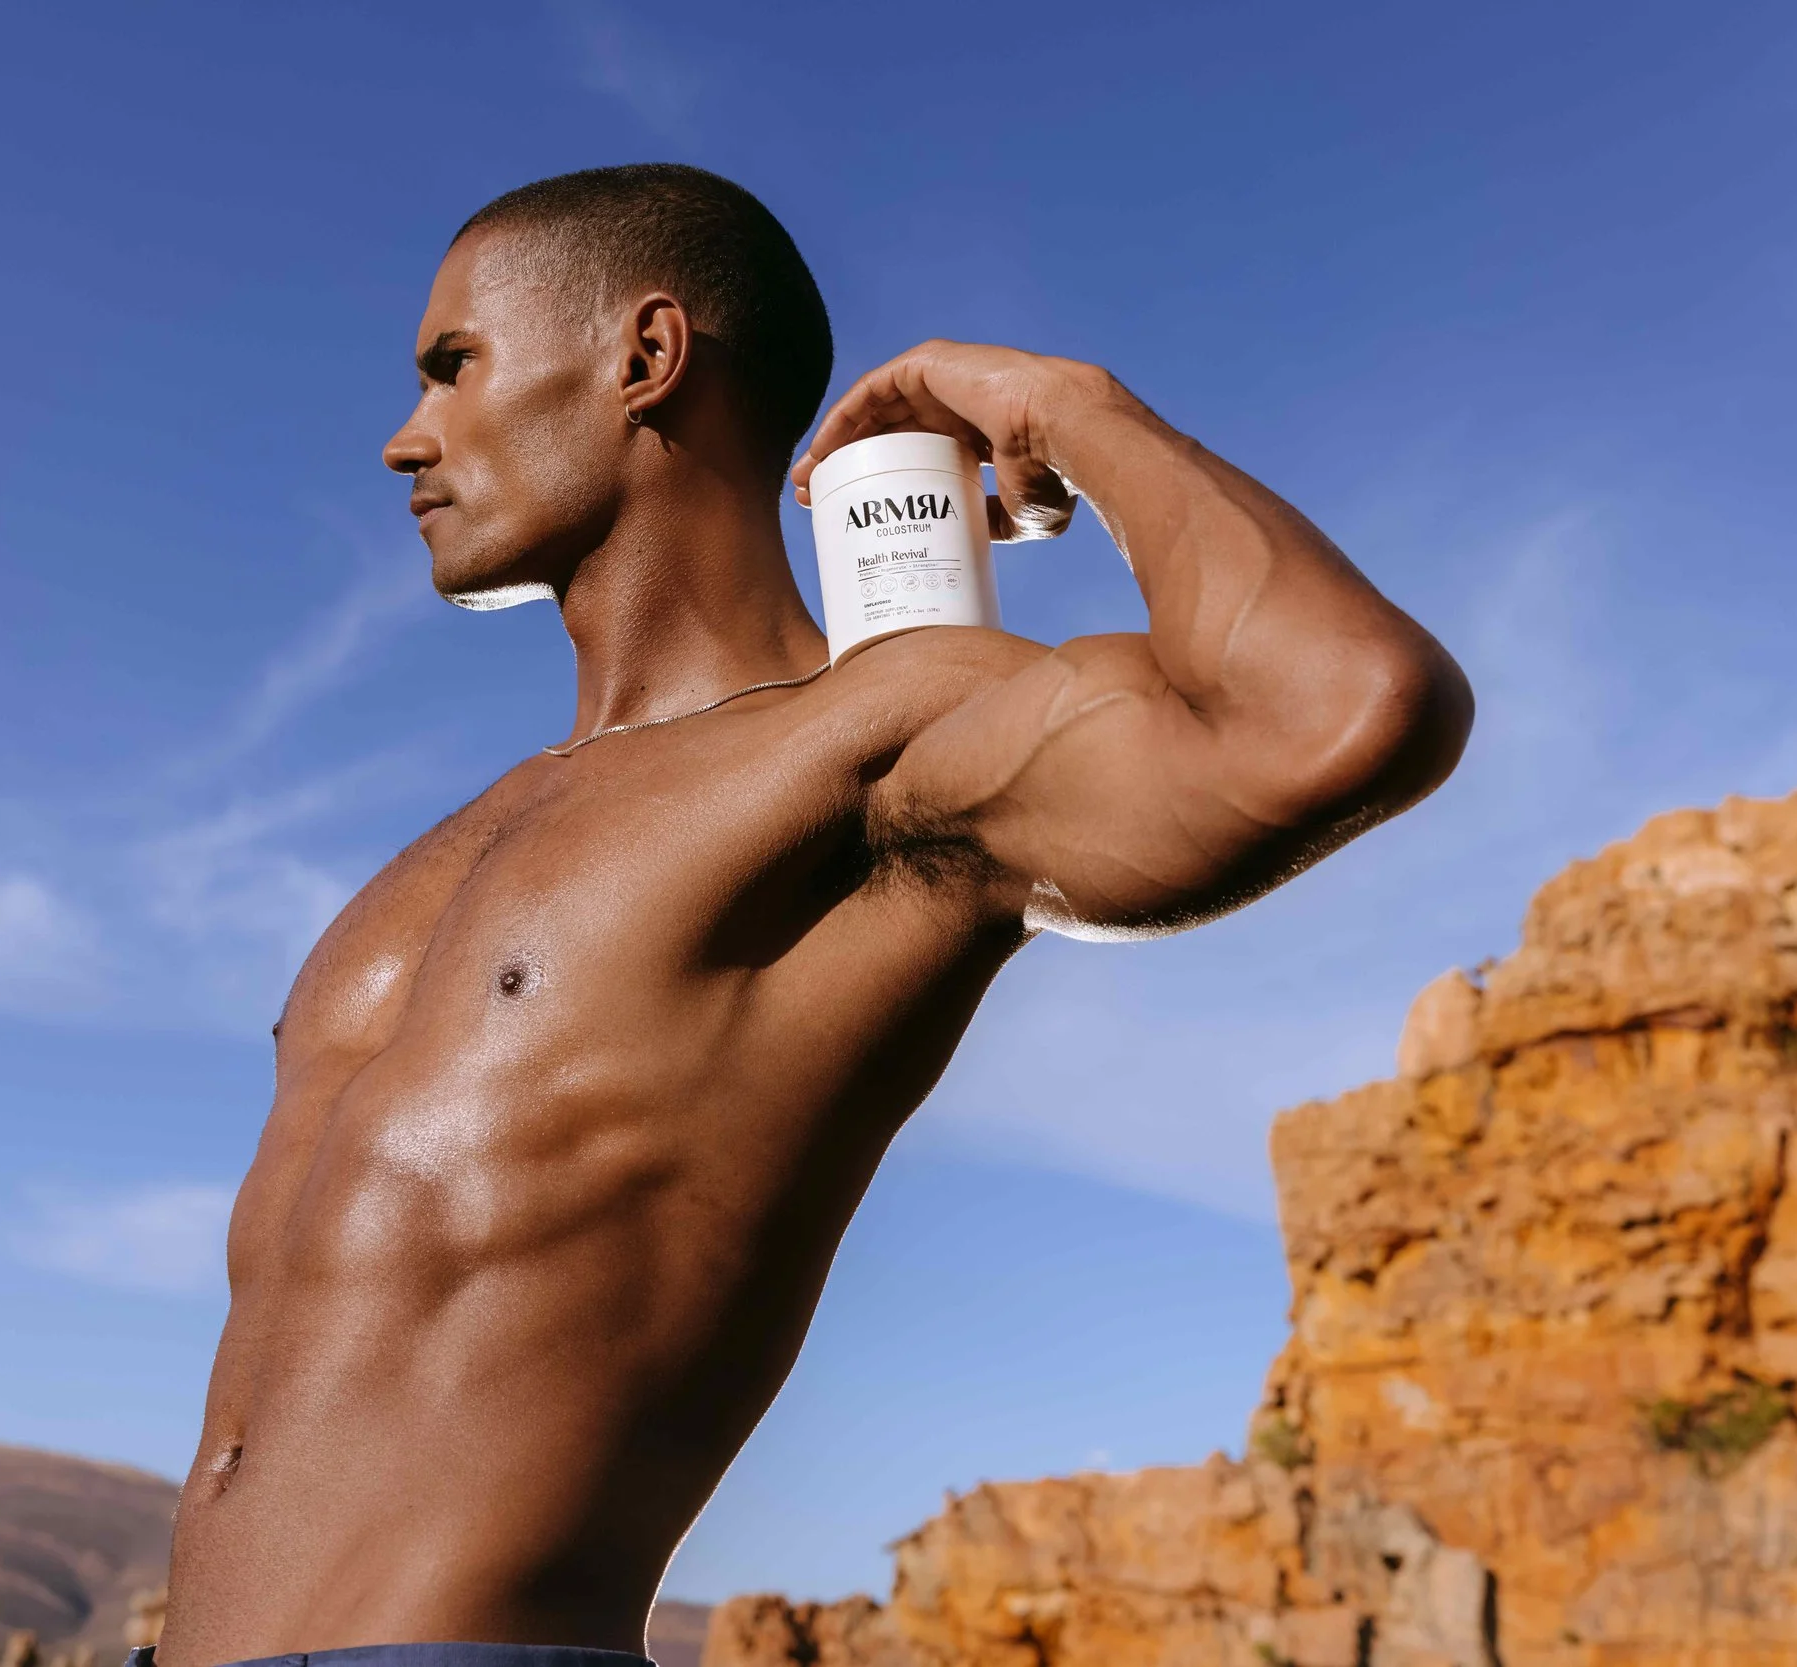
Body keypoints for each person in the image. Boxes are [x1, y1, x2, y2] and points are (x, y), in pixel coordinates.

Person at [151, 163, 1471, 1667]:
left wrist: (1065, 411)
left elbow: (1349, 708)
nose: (406, 437)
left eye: (454, 366)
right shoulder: (448, 847)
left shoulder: (883, 741)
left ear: (645, 358)